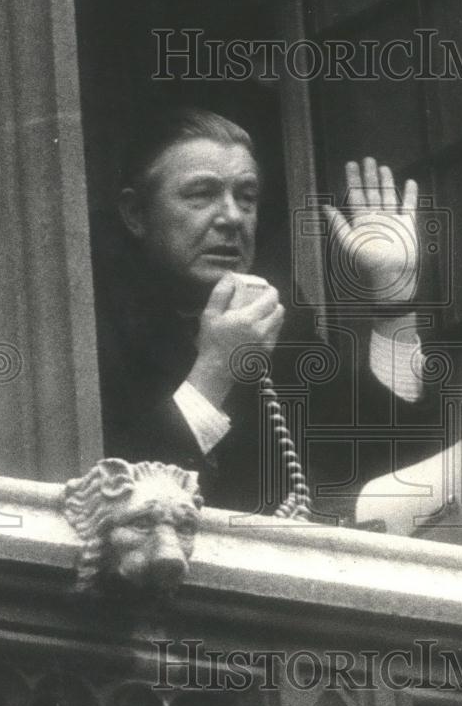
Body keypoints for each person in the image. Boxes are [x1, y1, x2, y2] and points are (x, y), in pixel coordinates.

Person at [93, 108, 432, 520]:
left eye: (246, 197)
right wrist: (216, 369)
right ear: (135, 214)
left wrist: (394, 297)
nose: (233, 217)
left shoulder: (276, 319)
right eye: (201, 194)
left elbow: (393, 469)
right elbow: (116, 500)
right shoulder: (91, 322)